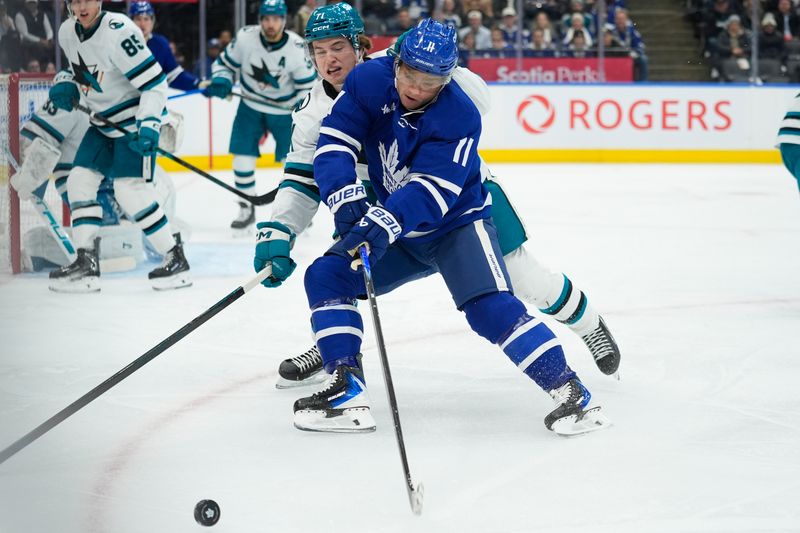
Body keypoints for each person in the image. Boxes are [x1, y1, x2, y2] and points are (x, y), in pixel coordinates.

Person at [257, 16, 614, 436]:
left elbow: (431, 189)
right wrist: (324, 206)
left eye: (429, 81)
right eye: (319, 50)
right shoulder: (353, 89)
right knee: (330, 275)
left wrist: (383, 220)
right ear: (396, 64)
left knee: (509, 293)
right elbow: (326, 152)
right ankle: (344, 379)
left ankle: (574, 370)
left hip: (456, 218)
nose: (414, 89)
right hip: (388, 218)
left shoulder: (459, 107)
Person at [47, 0, 190, 292]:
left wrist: (149, 122)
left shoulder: (119, 30)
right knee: (78, 182)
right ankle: (86, 263)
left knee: (130, 192)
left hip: (133, 122)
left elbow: (154, 83)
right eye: (74, 0)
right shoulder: (66, 32)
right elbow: (81, 74)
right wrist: (66, 84)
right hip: (101, 125)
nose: (81, 6)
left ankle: (175, 258)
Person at [203, 0, 317, 232]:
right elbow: (223, 64)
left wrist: (299, 104)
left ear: (284, 20)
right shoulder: (245, 38)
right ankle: (246, 207)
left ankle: (297, 208)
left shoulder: (296, 47)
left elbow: (308, 88)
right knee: (241, 159)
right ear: (260, 20)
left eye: (275, 19)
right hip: (250, 106)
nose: (270, 24)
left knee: (293, 164)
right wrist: (222, 79)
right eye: (266, 18)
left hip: (285, 112)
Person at [128, 1, 199, 91]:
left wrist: (197, 83)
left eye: (146, 19)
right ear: (130, 21)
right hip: (125, 102)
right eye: (138, 19)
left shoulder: (160, 44)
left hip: (151, 102)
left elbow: (173, 75)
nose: (142, 24)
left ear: (152, 21)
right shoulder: (120, 43)